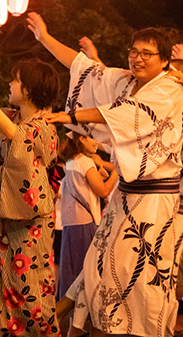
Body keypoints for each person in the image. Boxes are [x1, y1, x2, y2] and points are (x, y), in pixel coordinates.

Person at [34, 13, 183, 337]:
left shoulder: (167, 89)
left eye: (147, 53)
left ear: (163, 61)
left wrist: (67, 116)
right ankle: (63, 324)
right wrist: (44, 37)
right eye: (134, 51)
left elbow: (124, 115)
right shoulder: (125, 81)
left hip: (154, 201)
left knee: (143, 280)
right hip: (124, 196)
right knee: (98, 266)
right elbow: (85, 71)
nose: (138, 58)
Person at [0, 59, 61, 337]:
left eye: (16, 80)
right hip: (8, 218)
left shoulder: (45, 126)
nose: (10, 85)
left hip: (31, 222)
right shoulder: (15, 119)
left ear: (30, 89)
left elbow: (19, 139)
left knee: (30, 293)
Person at [57, 128, 116, 301]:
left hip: (71, 222)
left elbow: (82, 188)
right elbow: (104, 191)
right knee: (85, 273)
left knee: (72, 270)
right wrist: (117, 172)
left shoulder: (71, 161)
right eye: (94, 138)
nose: (97, 143)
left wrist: (97, 175)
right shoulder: (85, 162)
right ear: (82, 139)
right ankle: (80, 316)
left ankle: (67, 315)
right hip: (85, 222)